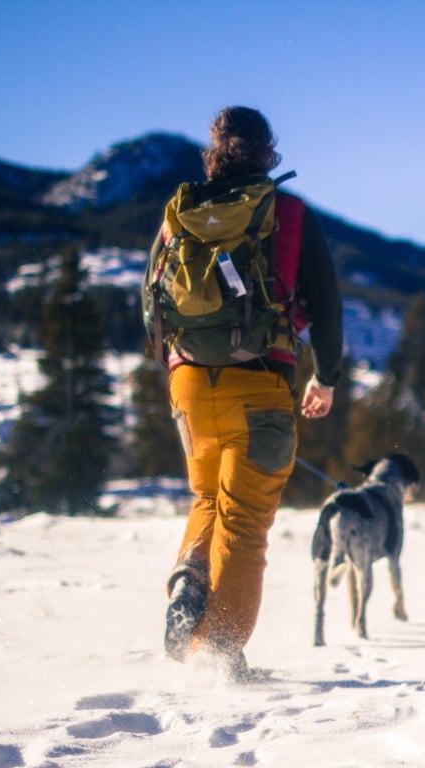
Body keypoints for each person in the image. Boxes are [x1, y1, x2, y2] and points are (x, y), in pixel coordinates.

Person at [148, 106, 344, 680]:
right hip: (260, 382)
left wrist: (181, 367)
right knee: (246, 521)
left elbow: (149, 295)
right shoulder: (287, 214)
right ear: (268, 153)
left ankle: (189, 581)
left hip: (189, 381)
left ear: (214, 152)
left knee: (207, 499)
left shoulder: (181, 212)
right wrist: (325, 377)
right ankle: (220, 654)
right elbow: (327, 307)